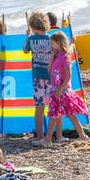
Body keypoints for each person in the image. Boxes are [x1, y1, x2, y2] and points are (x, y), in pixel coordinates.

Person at [44, 33, 89, 145]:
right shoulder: (56, 55)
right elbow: (49, 71)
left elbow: (68, 76)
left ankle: (82, 136)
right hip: (54, 90)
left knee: (69, 114)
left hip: (63, 91)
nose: (50, 44)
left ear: (58, 43)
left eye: (52, 43)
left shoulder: (65, 57)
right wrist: (51, 58)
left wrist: (60, 90)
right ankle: (48, 140)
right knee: (54, 115)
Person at [23, 12, 54, 142]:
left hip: (37, 76)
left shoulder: (31, 39)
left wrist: (27, 36)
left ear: (33, 26)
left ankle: (40, 136)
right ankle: (55, 135)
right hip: (50, 75)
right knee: (53, 106)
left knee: (39, 107)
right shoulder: (51, 39)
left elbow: (25, 50)